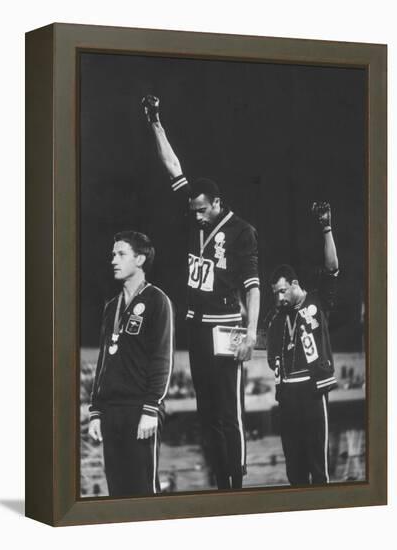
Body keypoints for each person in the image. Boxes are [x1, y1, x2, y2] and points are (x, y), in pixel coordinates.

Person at [142, 95, 260, 490]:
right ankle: (219, 481)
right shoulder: (193, 214)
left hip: (227, 327)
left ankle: (237, 483)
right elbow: (173, 167)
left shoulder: (242, 232)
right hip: (196, 326)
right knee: (206, 409)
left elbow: (253, 286)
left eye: (202, 210)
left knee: (230, 412)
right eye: (192, 210)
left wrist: (253, 332)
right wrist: (155, 122)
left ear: (218, 205)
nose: (195, 216)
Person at [88, 231, 174, 497]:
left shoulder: (157, 300)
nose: (113, 259)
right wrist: (96, 411)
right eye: (113, 254)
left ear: (140, 259)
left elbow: (163, 359)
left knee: (143, 491)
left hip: (141, 410)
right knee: (117, 492)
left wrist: (151, 408)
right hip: (112, 412)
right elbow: (103, 360)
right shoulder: (111, 306)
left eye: (121, 254)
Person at [267, 202, 339, 485]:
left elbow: (332, 268)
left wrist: (326, 228)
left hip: (312, 391)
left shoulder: (318, 301)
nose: (280, 298)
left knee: (318, 468)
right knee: (294, 472)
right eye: (276, 293)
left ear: (295, 284)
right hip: (287, 397)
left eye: (283, 291)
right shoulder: (276, 317)